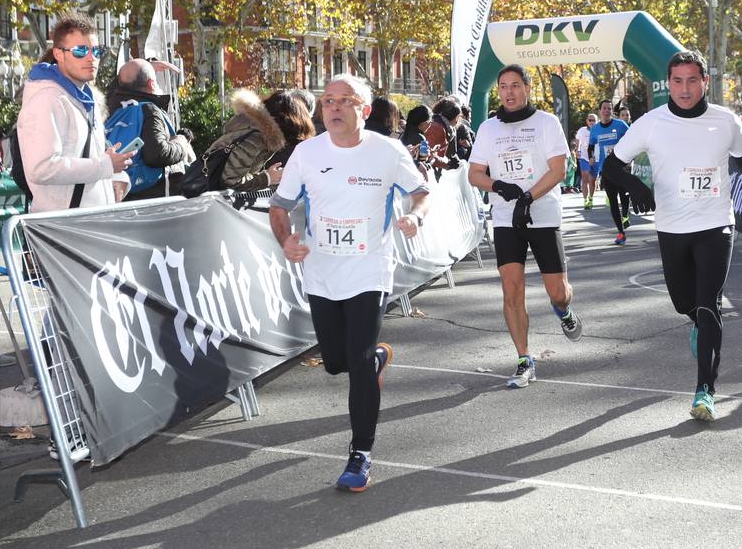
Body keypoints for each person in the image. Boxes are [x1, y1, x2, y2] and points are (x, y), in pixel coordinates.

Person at [270, 75, 429, 492]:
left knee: (355, 361)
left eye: (345, 101)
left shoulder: (388, 152)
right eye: (328, 101)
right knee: (337, 362)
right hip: (322, 271)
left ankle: (361, 454)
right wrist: (286, 238)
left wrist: (416, 216)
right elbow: (280, 206)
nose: (335, 108)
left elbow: (421, 192)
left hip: (369, 268)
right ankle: (373, 360)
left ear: (365, 109)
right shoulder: (306, 154)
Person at [601, 50, 742, 421]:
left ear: (704, 82)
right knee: (685, 303)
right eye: (677, 81)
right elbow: (611, 167)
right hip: (672, 227)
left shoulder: (724, 121)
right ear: (669, 83)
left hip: (715, 224)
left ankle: (704, 392)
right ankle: (696, 322)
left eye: (692, 80)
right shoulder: (651, 123)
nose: (684, 89)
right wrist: (636, 187)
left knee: (710, 303)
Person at [468, 64, 582, 388]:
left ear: (528, 88)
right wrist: (499, 187)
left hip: (542, 212)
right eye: (503, 86)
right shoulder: (488, 129)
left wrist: (528, 197)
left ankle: (564, 311)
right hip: (505, 217)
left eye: (515, 85)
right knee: (511, 287)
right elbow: (474, 174)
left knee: (558, 293)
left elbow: (558, 170)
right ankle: (524, 359)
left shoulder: (546, 123)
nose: (509, 92)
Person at [16, 12, 134, 211]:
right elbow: (42, 169)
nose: (91, 58)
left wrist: (117, 176)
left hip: (88, 222)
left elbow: (91, 156)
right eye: (80, 51)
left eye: (96, 51)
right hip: (62, 228)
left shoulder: (86, 98)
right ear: (58, 54)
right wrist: (105, 167)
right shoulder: (46, 99)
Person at [106, 59, 194, 200]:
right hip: (155, 200)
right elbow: (157, 154)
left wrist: (145, 69)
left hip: (124, 194)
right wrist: (182, 142)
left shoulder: (114, 111)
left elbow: (114, 88)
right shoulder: (149, 110)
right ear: (151, 83)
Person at [204, 89, 311, 192]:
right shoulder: (257, 137)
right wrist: (268, 178)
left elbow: (238, 172)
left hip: (210, 199)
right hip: (206, 201)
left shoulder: (259, 131)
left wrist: (268, 175)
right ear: (289, 121)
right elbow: (230, 180)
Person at [590, 101, 632, 245]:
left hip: (621, 167)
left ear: (611, 111)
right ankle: (621, 232)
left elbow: (632, 139)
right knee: (613, 202)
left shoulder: (620, 125)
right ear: (600, 111)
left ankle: (625, 215)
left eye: (609, 108)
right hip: (606, 170)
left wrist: (628, 160)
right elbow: (591, 145)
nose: (607, 110)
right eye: (604, 108)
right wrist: (591, 157)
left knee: (624, 196)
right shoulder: (595, 129)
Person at [574, 112, 598, 209]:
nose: (591, 122)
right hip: (584, 157)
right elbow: (578, 142)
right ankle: (585, 201)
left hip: (595, 158)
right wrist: (577, 150)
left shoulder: (599, 130)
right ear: (587, 121)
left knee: (592, 180)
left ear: (597, 121)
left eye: (593, 120)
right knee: (585, 179)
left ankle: (591, 198)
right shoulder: (582, 130)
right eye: (590, 120)